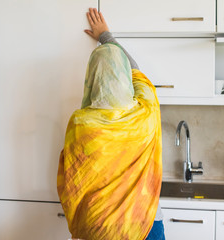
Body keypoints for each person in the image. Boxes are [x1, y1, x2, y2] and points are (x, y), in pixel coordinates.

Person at [57, 8, 164, 240]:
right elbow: (136, 69)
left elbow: (71, 174)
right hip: (144, 223)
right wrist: (106, 35)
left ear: (91, 78)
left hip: (97, 227)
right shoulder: (147, 111)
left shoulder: (81, 123)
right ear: (124, 76)